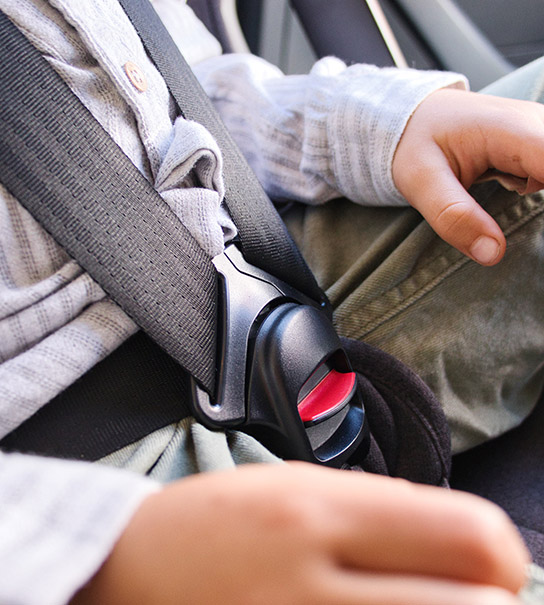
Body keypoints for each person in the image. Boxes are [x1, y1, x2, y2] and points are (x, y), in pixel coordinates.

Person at [0, 0, 542, 603]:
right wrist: (93, 560)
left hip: (255, 269)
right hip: (74, 473)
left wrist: (386, 123)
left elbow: (176, 86)